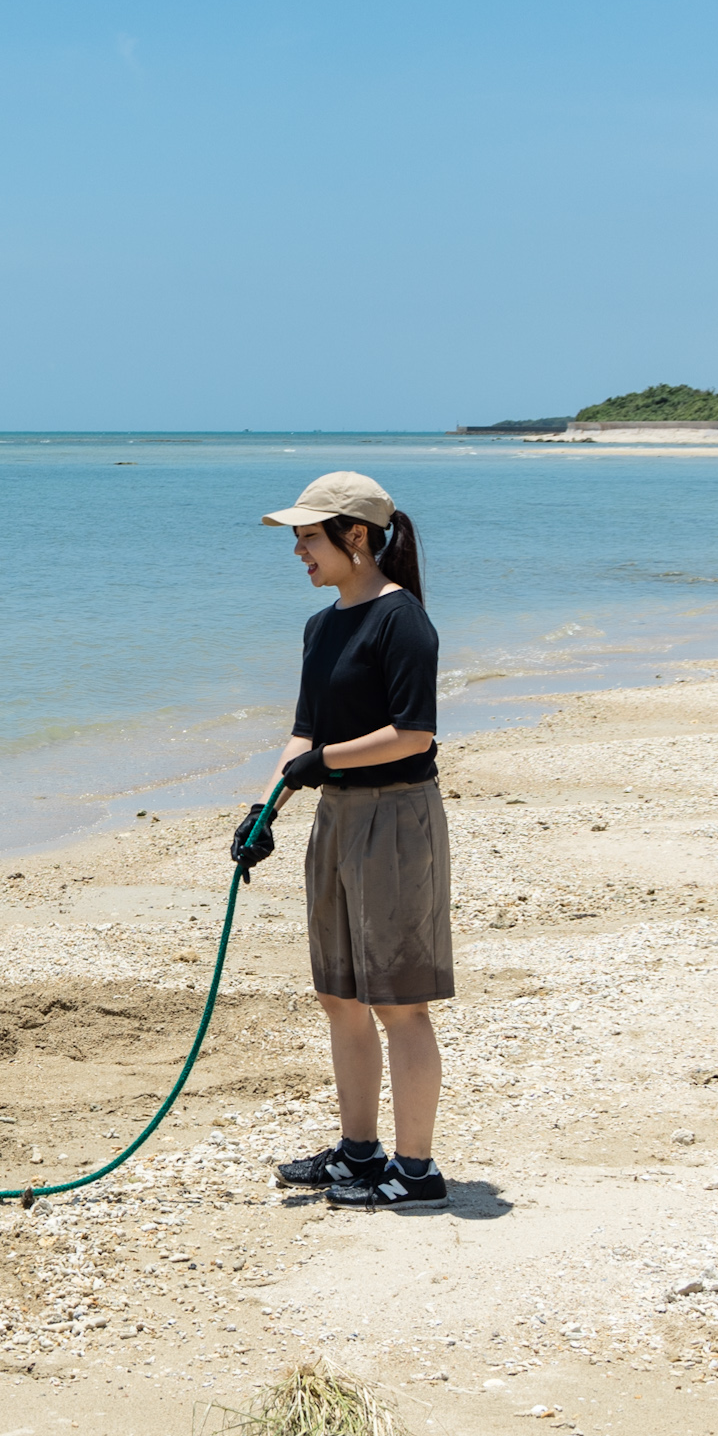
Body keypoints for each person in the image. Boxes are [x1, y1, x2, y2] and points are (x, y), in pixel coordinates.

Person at [247, 472, 455, 1211]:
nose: (299, 550)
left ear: (355, 537)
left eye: (309, 535)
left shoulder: (403, 621)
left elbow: (414, 731)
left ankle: (418, 1168)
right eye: (299, 537)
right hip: (335, 817)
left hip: (397, 819)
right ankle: (360, 1152)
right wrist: (267, 804)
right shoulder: (321, 626)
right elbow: (304, 733)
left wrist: (322, 762)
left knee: (400, 1000)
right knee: (339, 993)